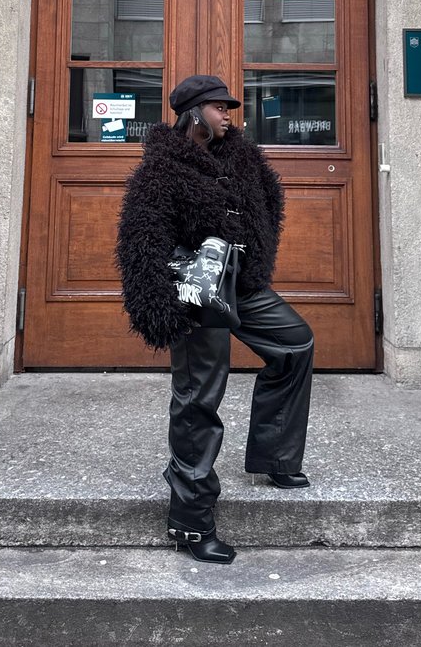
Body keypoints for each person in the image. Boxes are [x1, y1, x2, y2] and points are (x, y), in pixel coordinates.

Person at [115, 74, 314, 564]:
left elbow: (270, 200)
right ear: (193, 112)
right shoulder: (159, 170)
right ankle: (190, 521)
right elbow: (141, 244)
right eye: (219, 107)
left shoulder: (241, 156)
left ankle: (275, 456)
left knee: (295, 343)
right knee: (198, 400)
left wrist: (257, 255)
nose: (229, 114)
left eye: (230, 106)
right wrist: (165, 307)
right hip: (196, 297)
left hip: (242, 286)